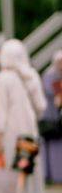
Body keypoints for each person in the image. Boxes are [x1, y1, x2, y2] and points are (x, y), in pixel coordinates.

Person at [0, 39, 48, 193]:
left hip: (11, 132)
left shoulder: (4, 77)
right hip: (30, 130)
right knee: (31, 169)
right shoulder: (31, 75)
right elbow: (41, 106)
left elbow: (1, 110)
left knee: (14, 171)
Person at [40, 50, 62, 183]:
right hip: (49, 118)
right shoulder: (49, 77)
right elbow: (53, 92)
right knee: (47, 148)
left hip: (58, 119)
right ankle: (48, 175)